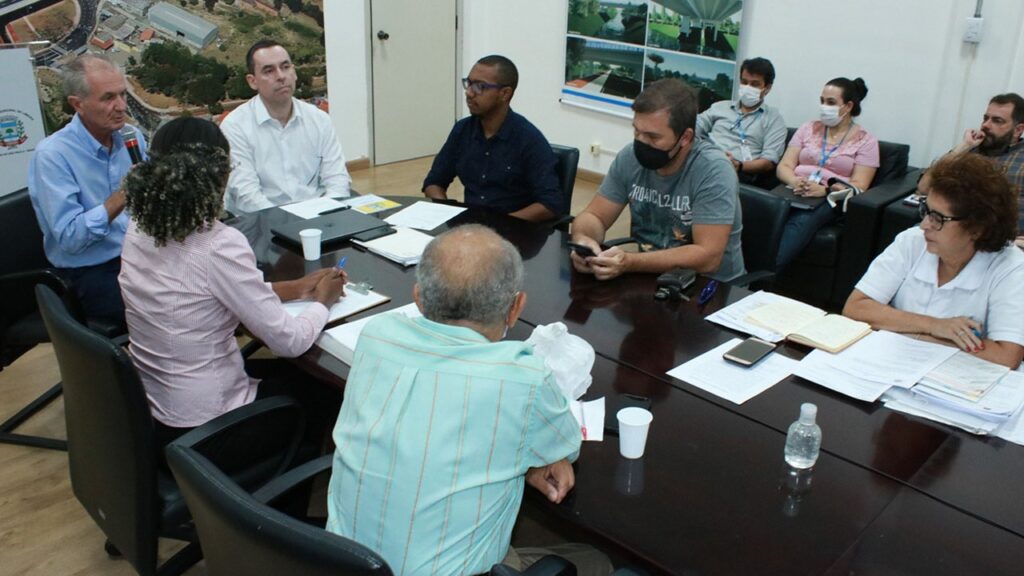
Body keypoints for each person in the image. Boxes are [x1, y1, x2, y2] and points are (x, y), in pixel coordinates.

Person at [326, 225, 606, 576]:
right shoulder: (522, 377)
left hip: (340, 561)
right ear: (516, 307)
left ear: (417, 297)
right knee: (597, 561)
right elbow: (566, 444)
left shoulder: (376, 336)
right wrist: (539, 458)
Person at [118, 117, 348, 450]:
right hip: (208, 427)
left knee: (294, 376)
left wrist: (295, 288)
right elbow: (290, 341)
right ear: (220, 176)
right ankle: (282, 491)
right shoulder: (218, 244)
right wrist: (323, 301)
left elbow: (201, 296)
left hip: (158, 406)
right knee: (328, 389)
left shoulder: (140, 226)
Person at [843, 153, 1024, 370]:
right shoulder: (912, 242)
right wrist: (933, 326)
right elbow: (855, 307)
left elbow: (1007, 355)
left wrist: (915, 334)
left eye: (938, 218)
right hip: (893, 365)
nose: (924, 225)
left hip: (959, 381)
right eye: (926, 211)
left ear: (977, 228)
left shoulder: (1011, 267)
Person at [570, 78, 745, 282]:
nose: (641, 142)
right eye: (637, 131)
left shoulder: (714, 170)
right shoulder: (629, 158)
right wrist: (584, 239)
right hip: (652, 278)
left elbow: (707, 258)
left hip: (710, 287)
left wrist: (631, 262)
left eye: (653, 137)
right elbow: (594, 216)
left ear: (685, 138)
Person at [27, 54, 146, 327]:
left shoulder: (131, 137)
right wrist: (124, 195)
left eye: (122, 95)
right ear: (77, 104)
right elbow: (70, 238)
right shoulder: (53, 155)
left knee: (208, 283)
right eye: (108, 98)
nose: (121, 107)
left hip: (139, 255)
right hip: (91, 271)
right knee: (172, 306)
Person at [422, 55, 564, 222]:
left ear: (504, 94)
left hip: (515, 233)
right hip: (472, 228)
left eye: (480, 86)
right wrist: (444, 214)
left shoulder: (529, 140)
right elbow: (434, 182)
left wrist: (500, 225)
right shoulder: (462, 130)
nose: (469, 92)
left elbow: (550, 204)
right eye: (468, 83)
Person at [221, 39, 351, 214]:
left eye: (285, 67)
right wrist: (287, 224)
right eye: (269, 70)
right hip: (260, 223)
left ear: (294, 72)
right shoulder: (235, 126)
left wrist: (330, 214)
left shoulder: (319, 120)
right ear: (252, 81)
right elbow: (247, 195)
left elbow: (337, 179)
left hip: (317, 218)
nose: (281, 76)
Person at [775, 77, 879, 269]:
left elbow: (860, 187)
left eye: (830, 103)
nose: (824, 107)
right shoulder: (808, 128)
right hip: (793, 188)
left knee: (801, 222)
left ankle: (764, 272)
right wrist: (796, 181)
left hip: (830, 199)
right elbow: (784, 166)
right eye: (822, 101)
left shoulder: (867, 141)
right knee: (766, 213)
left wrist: (825, 190)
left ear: (848, 106)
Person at [695, 57, 787, 185]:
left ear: (767, 88)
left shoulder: (774, 120)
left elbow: (769, 162)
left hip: (736, 172)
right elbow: (695, 125)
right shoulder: (720, 106)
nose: (747, 87)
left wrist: (739, 165)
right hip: (703, 158)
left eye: (755, 84)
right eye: (744, 82)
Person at [951, 92, 1024, 240]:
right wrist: (963, 146)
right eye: (986, 118)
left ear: (1018, 130)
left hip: (1005, 244)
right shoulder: (971, 149)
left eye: (997, 121)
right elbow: (924, 186)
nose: (985, 125)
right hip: (955, 233)